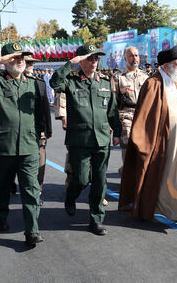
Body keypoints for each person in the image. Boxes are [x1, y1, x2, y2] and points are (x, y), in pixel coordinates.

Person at [119, 45, 177, 232]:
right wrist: (144, 143)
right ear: (166, 65)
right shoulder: (152, 84)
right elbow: (144, 118)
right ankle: (149, 209)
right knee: (157, 178)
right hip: (161, 144)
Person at [0, 42, 47, 246]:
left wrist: (40, 135)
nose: (20, 60)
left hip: (29, 145)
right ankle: (0, 215)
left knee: (31, 188)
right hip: (1, 145)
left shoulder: (32, 83)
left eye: (22, 57)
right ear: (5, 61)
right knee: (0, 186)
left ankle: (32, 230)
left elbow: (39, 113)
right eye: (15, 57)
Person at [50, 44, 121, 236]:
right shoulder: (71, 81)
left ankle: (96, 218)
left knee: (99, 181)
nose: (94, 61)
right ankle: (70, 197)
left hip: (102, 139)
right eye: (90, 58)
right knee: (81, 179)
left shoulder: (105, 82)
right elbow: (54, 83)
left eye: (96, 58)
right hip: (79, 139)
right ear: (81, 60)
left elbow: (112, 110)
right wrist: (70, 63)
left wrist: (117, 132)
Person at [111, 46, 149, 175]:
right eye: (131, 55)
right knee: (128, 151)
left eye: (137, 55)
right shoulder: (117, 77)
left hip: (142, 117)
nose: (135, 58)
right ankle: (128, 180)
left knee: (142, 151)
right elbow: (113, 103)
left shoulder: (145, 76)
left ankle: (127, 173)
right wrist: (113, 125)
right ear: (125, 58)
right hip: (125, 116)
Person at [24, 56, 52, 204]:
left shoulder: (39, 83)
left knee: (40, 161)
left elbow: (46, 107)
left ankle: (37, 191)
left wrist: (48, 128)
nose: (30, 65)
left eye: (32, 63)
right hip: (20, 130)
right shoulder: (12, 81)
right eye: (27, 62)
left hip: (38, 129)